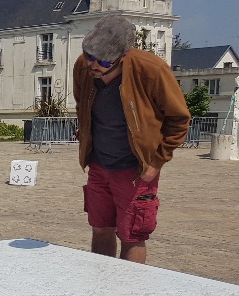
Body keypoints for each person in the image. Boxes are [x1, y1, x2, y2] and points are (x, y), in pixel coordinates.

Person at [73, 15, 190, 263]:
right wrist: (85, 132)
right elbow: (82, 104)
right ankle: (101, 281)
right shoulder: (83, 67)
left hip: (136, 169)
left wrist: (157, 161)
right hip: (99, 165)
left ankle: (130, 288)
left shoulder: (152, 70)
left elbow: (179, 118)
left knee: (132, 234)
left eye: (104, 61)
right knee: (100, 228)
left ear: (123, 57)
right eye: (90, 56)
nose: (94, 65)